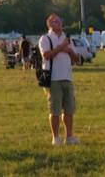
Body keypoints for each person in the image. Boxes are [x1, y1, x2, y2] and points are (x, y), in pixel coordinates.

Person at [39, 14, 79, 146]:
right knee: (54, 110)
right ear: (49, 25)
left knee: (69, 109)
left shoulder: (66, 38)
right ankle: (55, 138)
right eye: (55, 21)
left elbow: (76, 59)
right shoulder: (45, 39)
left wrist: (69, 51)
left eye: (60, 21)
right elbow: (46, 55)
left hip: (67, 78)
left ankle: (69, 137)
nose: (59, 23)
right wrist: (62, 47)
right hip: (53, 79)